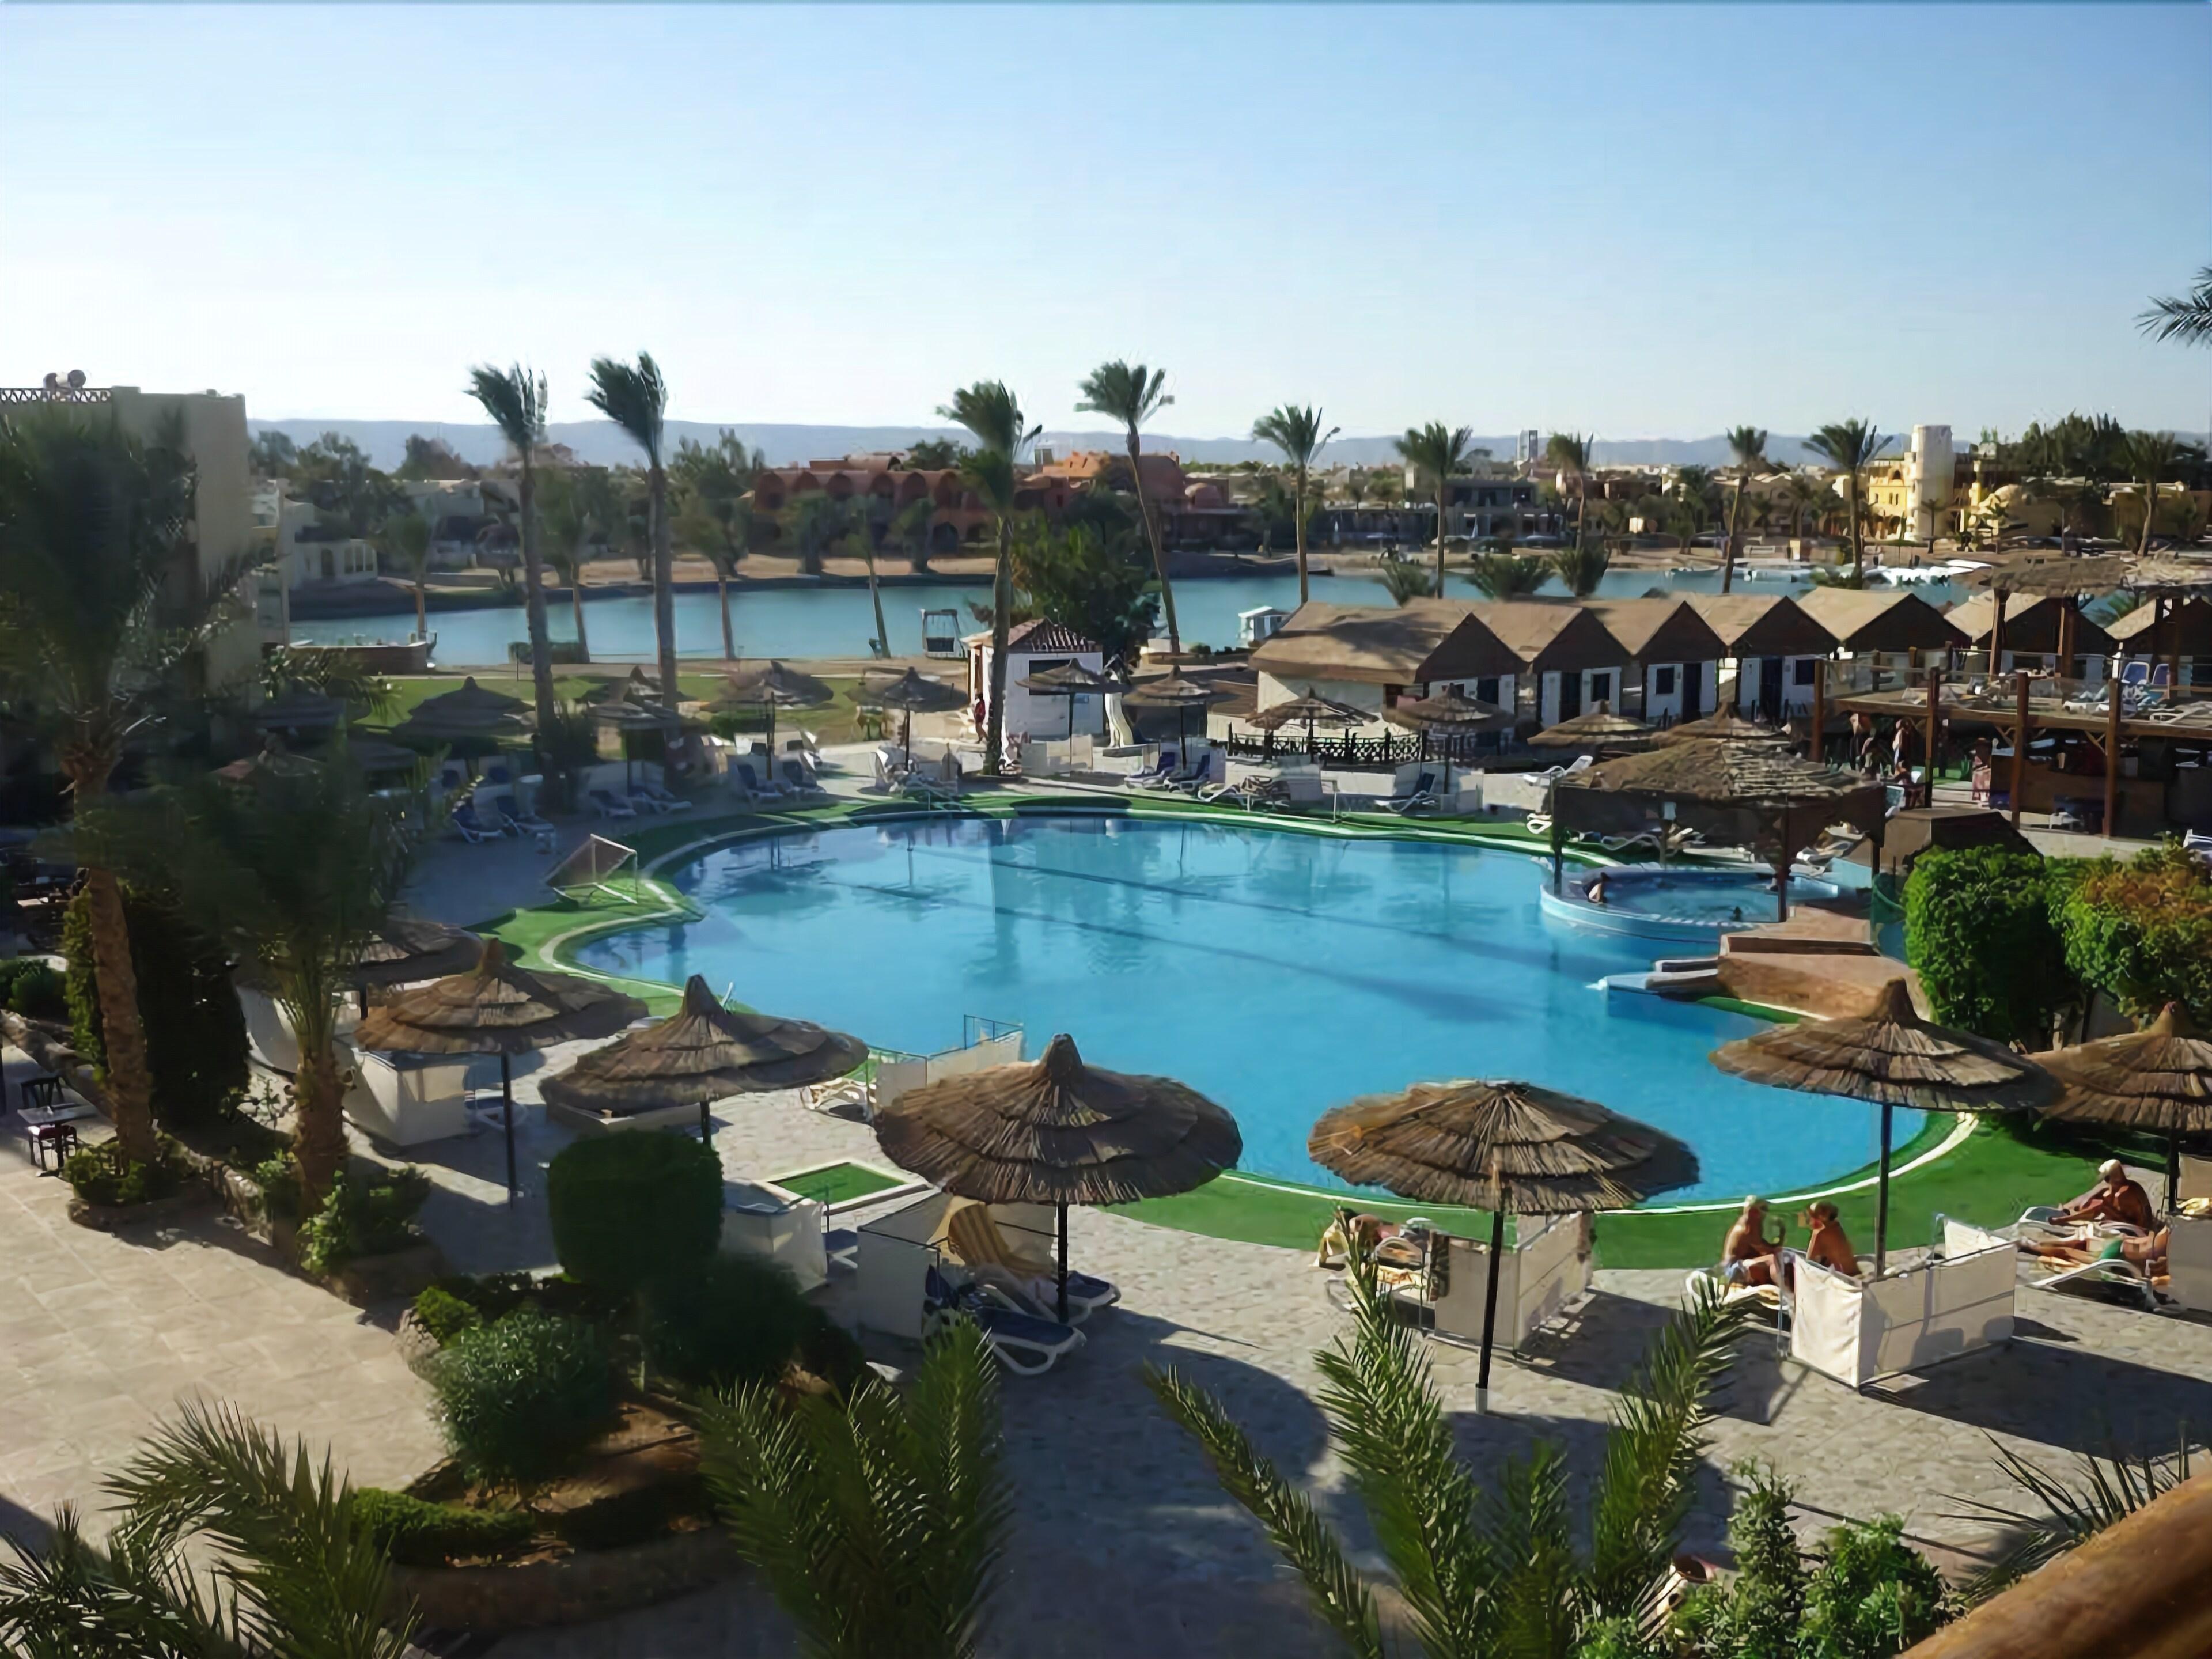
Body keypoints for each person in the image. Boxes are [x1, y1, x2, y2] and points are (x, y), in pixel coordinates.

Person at [2054, 1159, 2156, 1232]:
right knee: (2101, 1198)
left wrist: (2106, 1207)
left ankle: (2064, 1220)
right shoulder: (2129, 1185)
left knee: (2102, 1205)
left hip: (2136, 1227)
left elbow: (2129, 1217)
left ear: (2110, 1177)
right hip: (2134, 1221)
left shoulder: (2123, 1194)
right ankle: (2075, 1212)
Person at [1721, 1196, 1785, 1287]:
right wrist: (1781, 1237)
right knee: (1772, 1259)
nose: (1766, 1213)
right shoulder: (1747, 1227)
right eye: (1764, 1209)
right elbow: (1763, 1249)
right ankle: (1782, 1288)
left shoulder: (1747, 1222)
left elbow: (1761, 1245)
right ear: (1754, 1212)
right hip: (1733, 1269)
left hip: (1733, 1266)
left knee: (1771, 1257)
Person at [1797, 1201, 1860, 1277]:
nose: (1809, 1221)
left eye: (1811, 1216)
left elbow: (1810, 1261)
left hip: (1844, 1276)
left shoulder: (1820, 1233)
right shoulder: (1837, 1227)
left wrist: (1814, 1234)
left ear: (1819, 1218)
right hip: (1855, 1273)